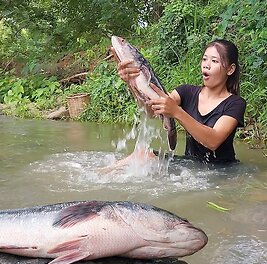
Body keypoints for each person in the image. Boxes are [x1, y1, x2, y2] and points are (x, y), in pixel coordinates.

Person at [103, 39, 246, 173]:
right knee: (143, 155)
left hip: (223, 171)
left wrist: (176, 112)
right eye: (204, 59)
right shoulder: (186, 92)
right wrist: (133, 82)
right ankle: (99, 174)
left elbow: (213, 141)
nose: (206, 64)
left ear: (230, 69)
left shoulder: (235, 103)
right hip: (190, 166)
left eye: (214, 61)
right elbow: (151, 112)